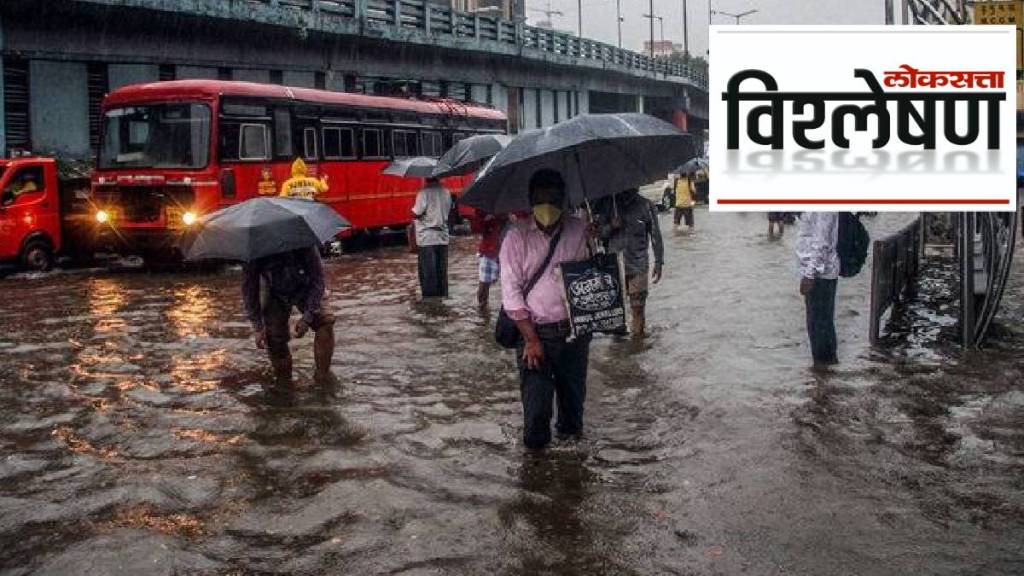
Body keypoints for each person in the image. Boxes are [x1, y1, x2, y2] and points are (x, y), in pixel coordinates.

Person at [500, 169, 591, 450]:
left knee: (573, 416)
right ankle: (536, 477)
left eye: (553, 198)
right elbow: (511, 294)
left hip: (575, 335)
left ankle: (570, 478)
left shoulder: (580, 230)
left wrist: (600, 242)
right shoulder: (516, 239)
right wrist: (530, 340)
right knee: (537, 418)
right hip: (536, 336)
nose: (547, 206)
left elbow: (591, 278)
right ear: (530, 201)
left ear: (564, 199)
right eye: (541, 199)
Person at [242, 246, 337, 398]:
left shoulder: (303, 241)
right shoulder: (255, 250)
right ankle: (284, 384)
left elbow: (318, 281)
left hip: (306, 286)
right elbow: (249, 290)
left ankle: (322, 377)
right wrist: (258, 327)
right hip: (274, 291)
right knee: (274, 339)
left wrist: (307, 317)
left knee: (325, 322)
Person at [596, 189, 664, 337]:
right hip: (614, 266)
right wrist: (611, 227)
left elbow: (655, 236)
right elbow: (598, 235)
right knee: (616, 313)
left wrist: (659, 262)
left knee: (638, 308)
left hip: (638, 265)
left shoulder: (646, 206)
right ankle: (620, 350)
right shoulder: (609, 205)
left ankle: (637, 345)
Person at [796, 212, 840, 367]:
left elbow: (821, 242)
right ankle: (825, 372)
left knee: (819, 326)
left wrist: (810, 274)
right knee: (819, 324)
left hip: (821, 274)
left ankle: (823, 370)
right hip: (819, 272)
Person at [412, 177, 453, 298]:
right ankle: (443, 297)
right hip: (443, 237)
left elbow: (416, 213)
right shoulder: (446, 192)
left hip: (427, 238)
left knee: (428, 273)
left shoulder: (423, 193)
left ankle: (430, 304)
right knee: (442, 272)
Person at [476, 210, 507, 308]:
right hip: (489, 251)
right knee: (484, 284)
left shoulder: (513, 210)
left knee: (511, 285)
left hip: (508, 252)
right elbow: (476, 228)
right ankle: (482, 308)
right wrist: (486, 218)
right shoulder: (485, 210)